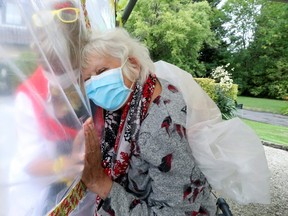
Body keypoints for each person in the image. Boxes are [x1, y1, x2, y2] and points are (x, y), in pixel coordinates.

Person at [79, 27, 217, 215]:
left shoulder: (163, 129)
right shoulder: (141, 91)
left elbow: (174, 212)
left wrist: (101, 183)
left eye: (102, 71)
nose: (95, 83)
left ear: (133, 65)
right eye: (87, 79)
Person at [9, 0, 89, 215]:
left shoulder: (94, 79)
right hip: (39, 193)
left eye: (62, 68)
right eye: (48, 67)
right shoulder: (28, 96)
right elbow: (30, 162)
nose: (55, 77)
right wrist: (65, 165)